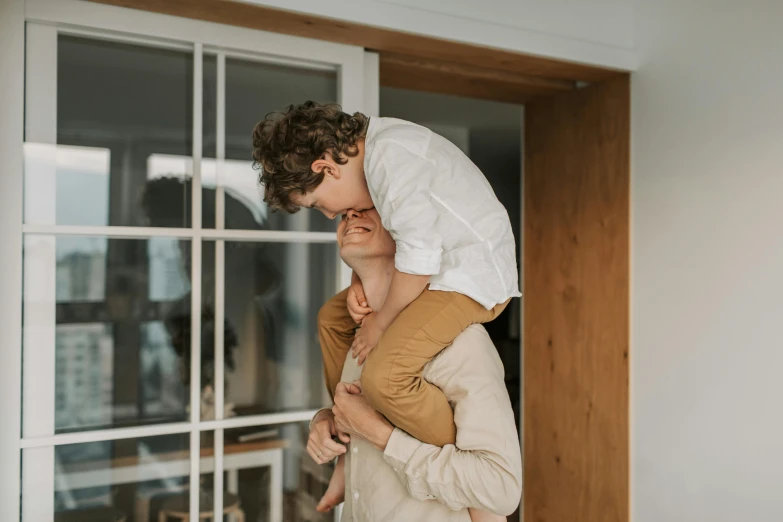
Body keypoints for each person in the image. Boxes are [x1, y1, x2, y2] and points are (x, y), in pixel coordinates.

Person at [252, 102, 521, 451]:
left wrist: (380, 323)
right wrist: (357, 283)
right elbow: (389, 238)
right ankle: (344, 420)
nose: (330, 214)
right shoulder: (374, 155)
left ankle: (464, 453)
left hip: (470, 279)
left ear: (325, 168)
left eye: (318, 204)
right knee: (332, 320)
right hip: (433, 272)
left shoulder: (391, 157)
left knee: (387, 376)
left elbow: (419, 258)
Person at [308, 208, 522, 521]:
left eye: (372, 207)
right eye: (344, 215)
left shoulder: (462, 342)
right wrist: (329, 419)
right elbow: (359, 416)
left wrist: (380, 436)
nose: (350, 214)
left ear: (410, 237)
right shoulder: (357, 337)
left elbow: (500, 488)